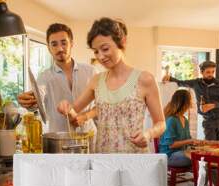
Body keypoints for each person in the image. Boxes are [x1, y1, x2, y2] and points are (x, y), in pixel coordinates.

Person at [57, 17, 165, 153]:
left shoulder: (145, 79)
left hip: (134, 158)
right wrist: (65, 107)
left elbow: (161, 123)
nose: (101, 56)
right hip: (103, 160)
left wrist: (148, 134)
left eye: (105, 49)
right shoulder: (96, 81)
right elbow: (73, 112)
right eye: (96, 51)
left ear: (122, 42)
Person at [17, 23, 96, 134]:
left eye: (64, 43)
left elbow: (103, 105)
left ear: (72, 43)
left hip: (89, 136)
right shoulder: (44, 77)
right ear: (49, 48)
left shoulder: (90, 71)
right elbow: (38, 97)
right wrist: (28, 101)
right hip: (59, 140)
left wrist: (85, 116)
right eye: (54, 44)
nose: (59, 48)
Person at [162, 61, 219, 143]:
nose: (211, 74)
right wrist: (170, 78)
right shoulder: (196, 83)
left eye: (213, 72)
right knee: (210, 145)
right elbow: (181, 83)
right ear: (201, 72)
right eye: (208, 72)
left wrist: (214, 105)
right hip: (208, 120)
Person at [159, 89, 205, 167]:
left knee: (204, 157)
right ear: (184, 103)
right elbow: (171, 145)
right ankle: (200, 179)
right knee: (201, 160)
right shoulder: (171, 120)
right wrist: (190, 140)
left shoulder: (185, 120)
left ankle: (202, 179)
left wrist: (198, 144)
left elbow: (188, 141)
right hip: (169, 156)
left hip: (182, 153)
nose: (191, 103)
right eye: (189, 101)